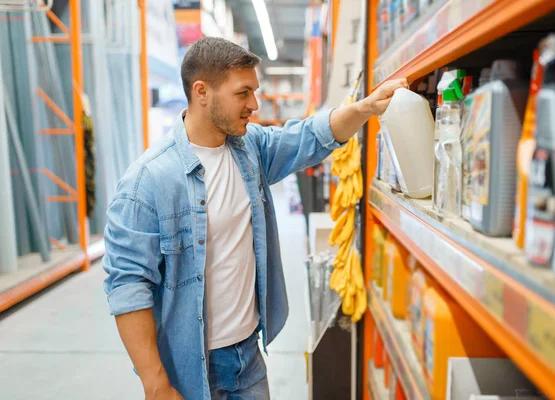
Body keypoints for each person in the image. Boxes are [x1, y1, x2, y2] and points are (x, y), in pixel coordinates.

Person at [102, 37, 408, 400]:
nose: (254, 104)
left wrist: (366, 107)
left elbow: (308, 136)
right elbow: (128, 286)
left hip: (247, 358)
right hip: (191, 367)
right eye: (243, 93)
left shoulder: (249, 150)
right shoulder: (148, 182)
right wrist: (156, 385)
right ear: (202, 92)